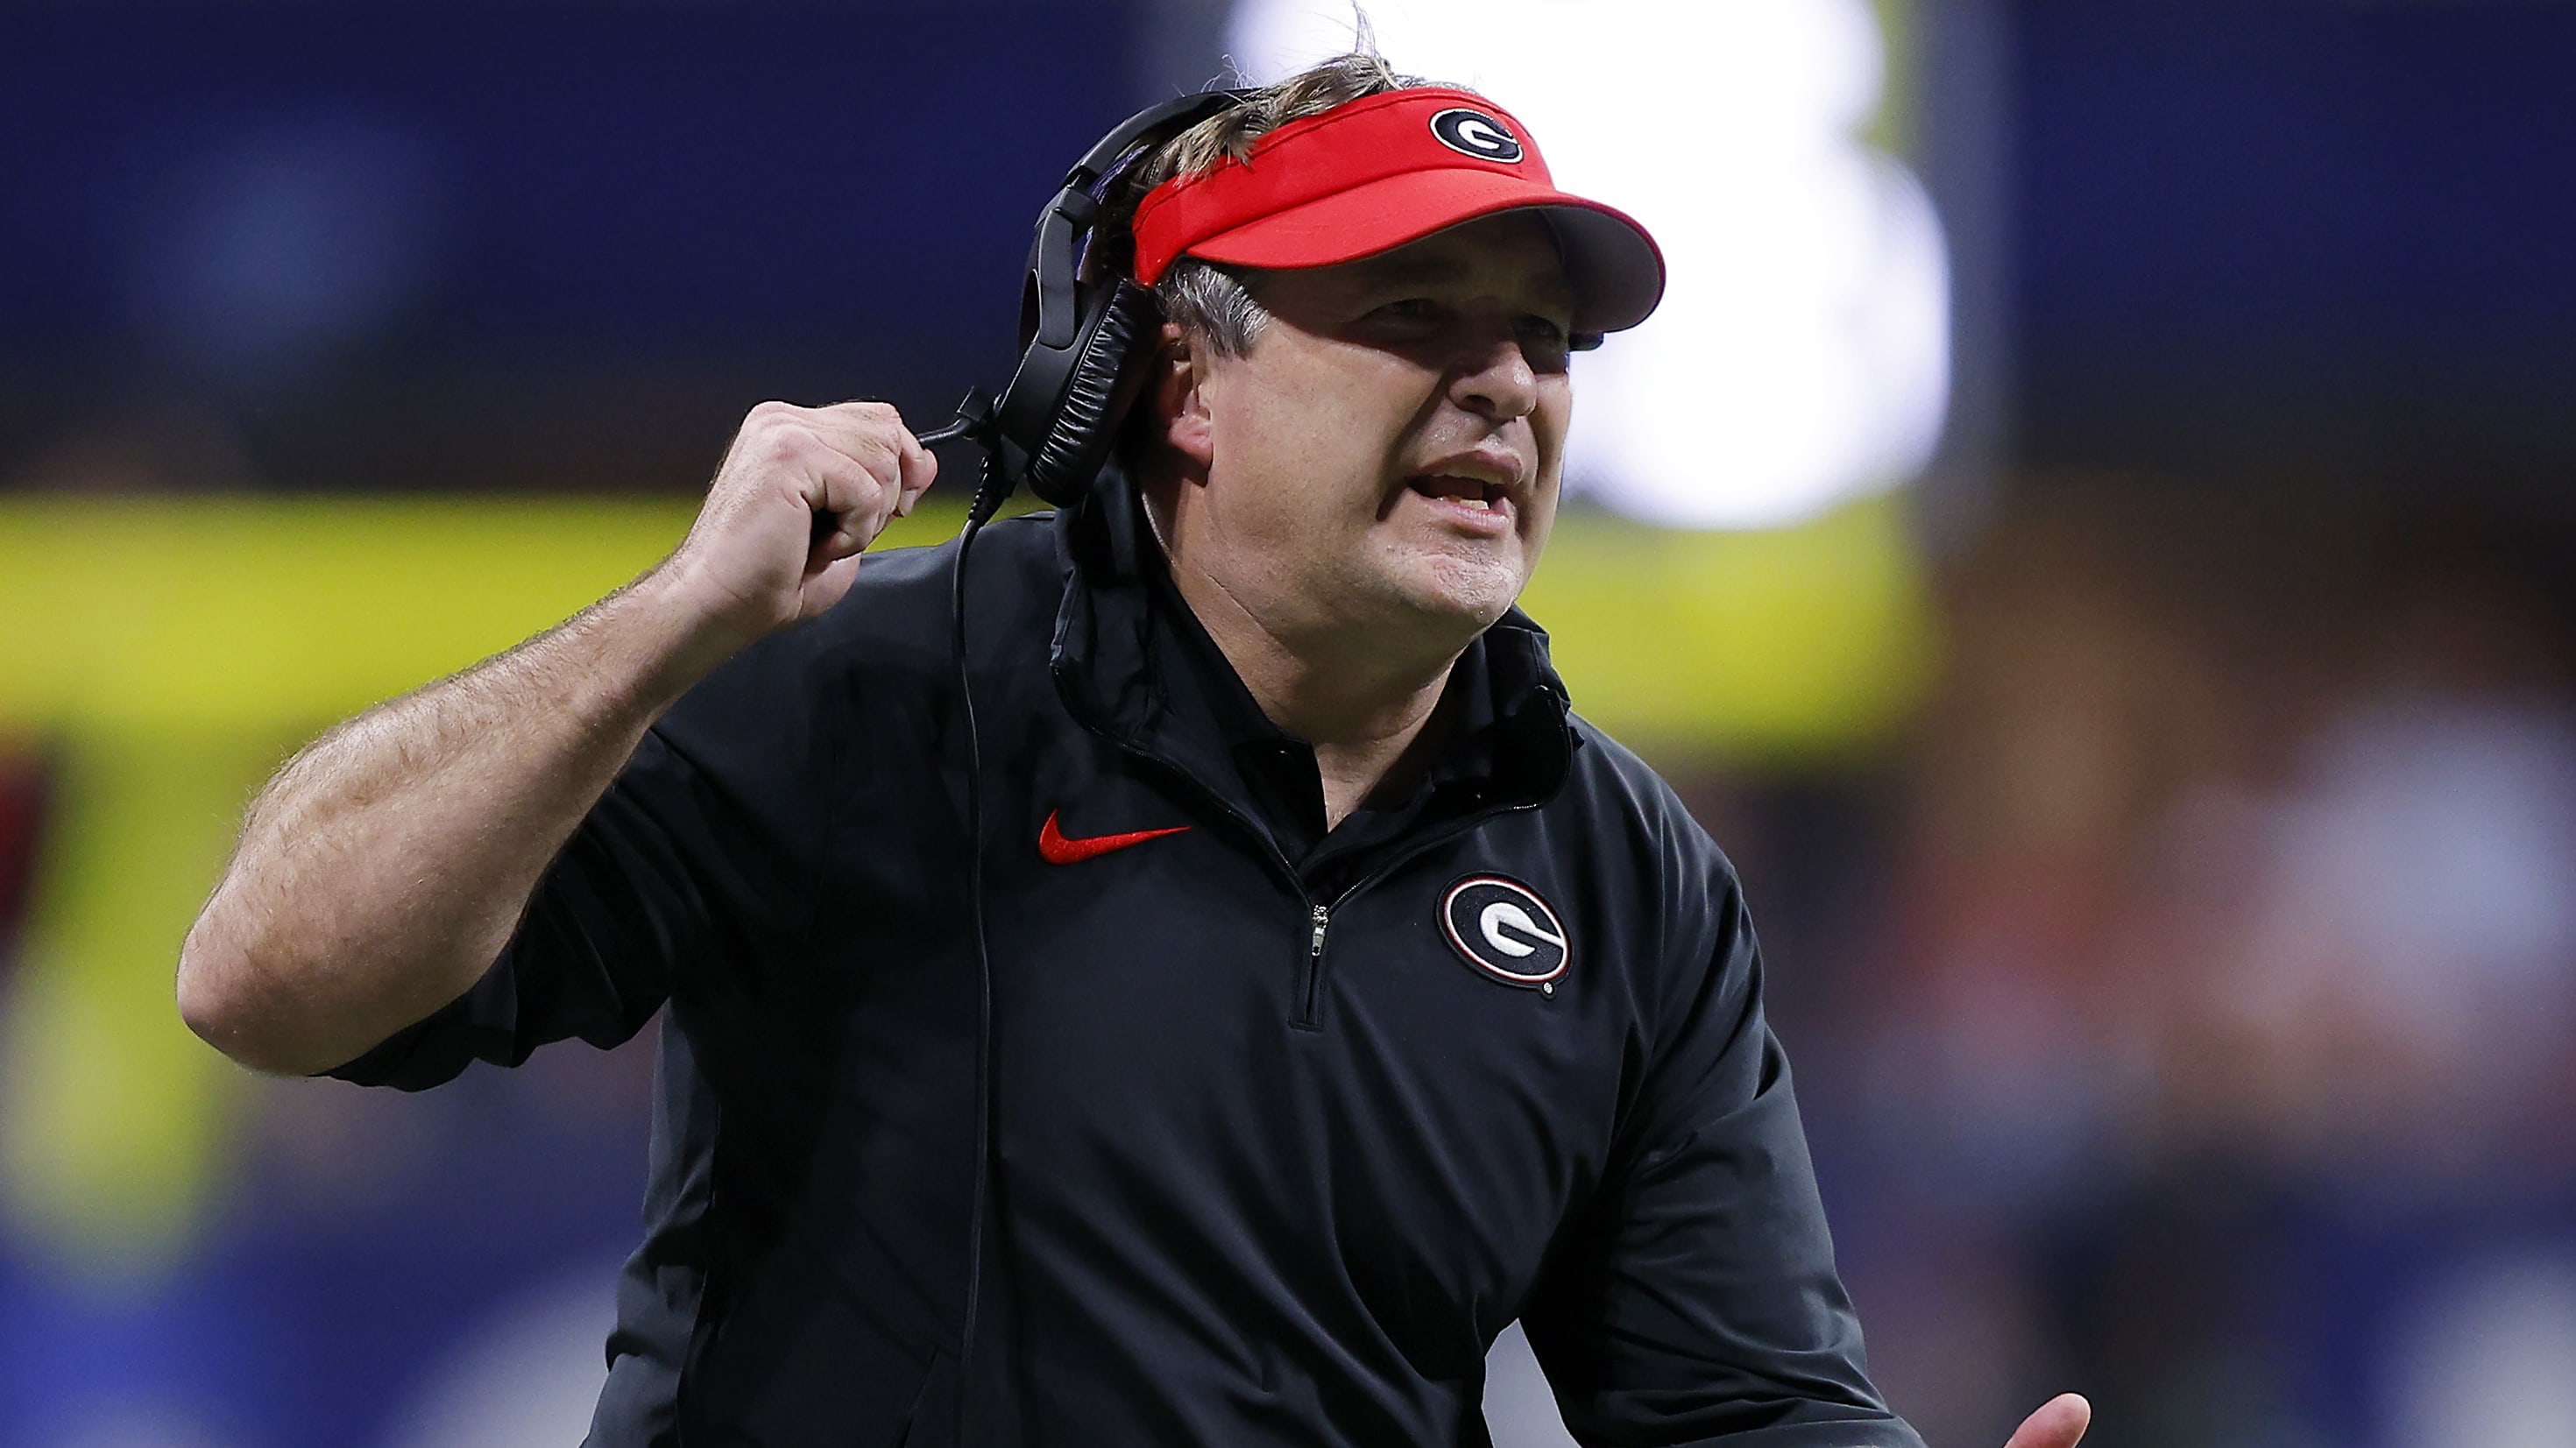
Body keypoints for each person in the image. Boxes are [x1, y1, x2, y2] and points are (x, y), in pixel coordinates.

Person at [176, 49, 2090, 1448]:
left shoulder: (1615, 866)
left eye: (1541, 339)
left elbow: (1733, 1406)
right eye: (1412, 314)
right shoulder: (873, 690)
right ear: (1177, 376)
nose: (1504, 380)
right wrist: (669, 621)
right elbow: (268, 977)